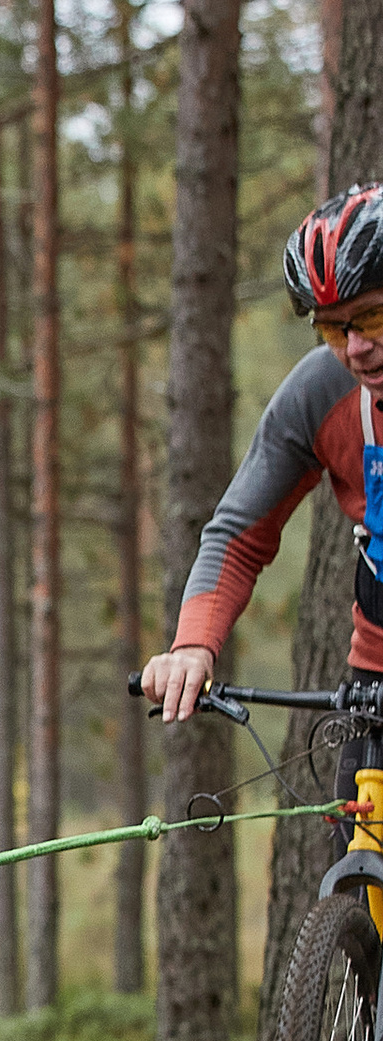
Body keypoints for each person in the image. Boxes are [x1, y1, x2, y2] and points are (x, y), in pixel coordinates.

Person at [143, 185, 383, 757]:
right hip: (376, 684)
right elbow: (239, 535)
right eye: (332, 329)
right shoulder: (320, 391)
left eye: (372, 318)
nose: (356, 349)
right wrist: (193, 646)